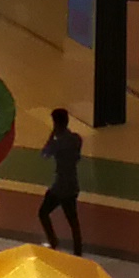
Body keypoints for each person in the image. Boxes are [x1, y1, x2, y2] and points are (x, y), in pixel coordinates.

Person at [37, 104, 84, 256]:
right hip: (73, 184)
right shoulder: (76, 139)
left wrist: (52, 135)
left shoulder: (57, 144)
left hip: (60, 186)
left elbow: (44, 154)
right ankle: (78, 251)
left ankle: (53, 241)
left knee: (43, 212)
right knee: (73, 221)